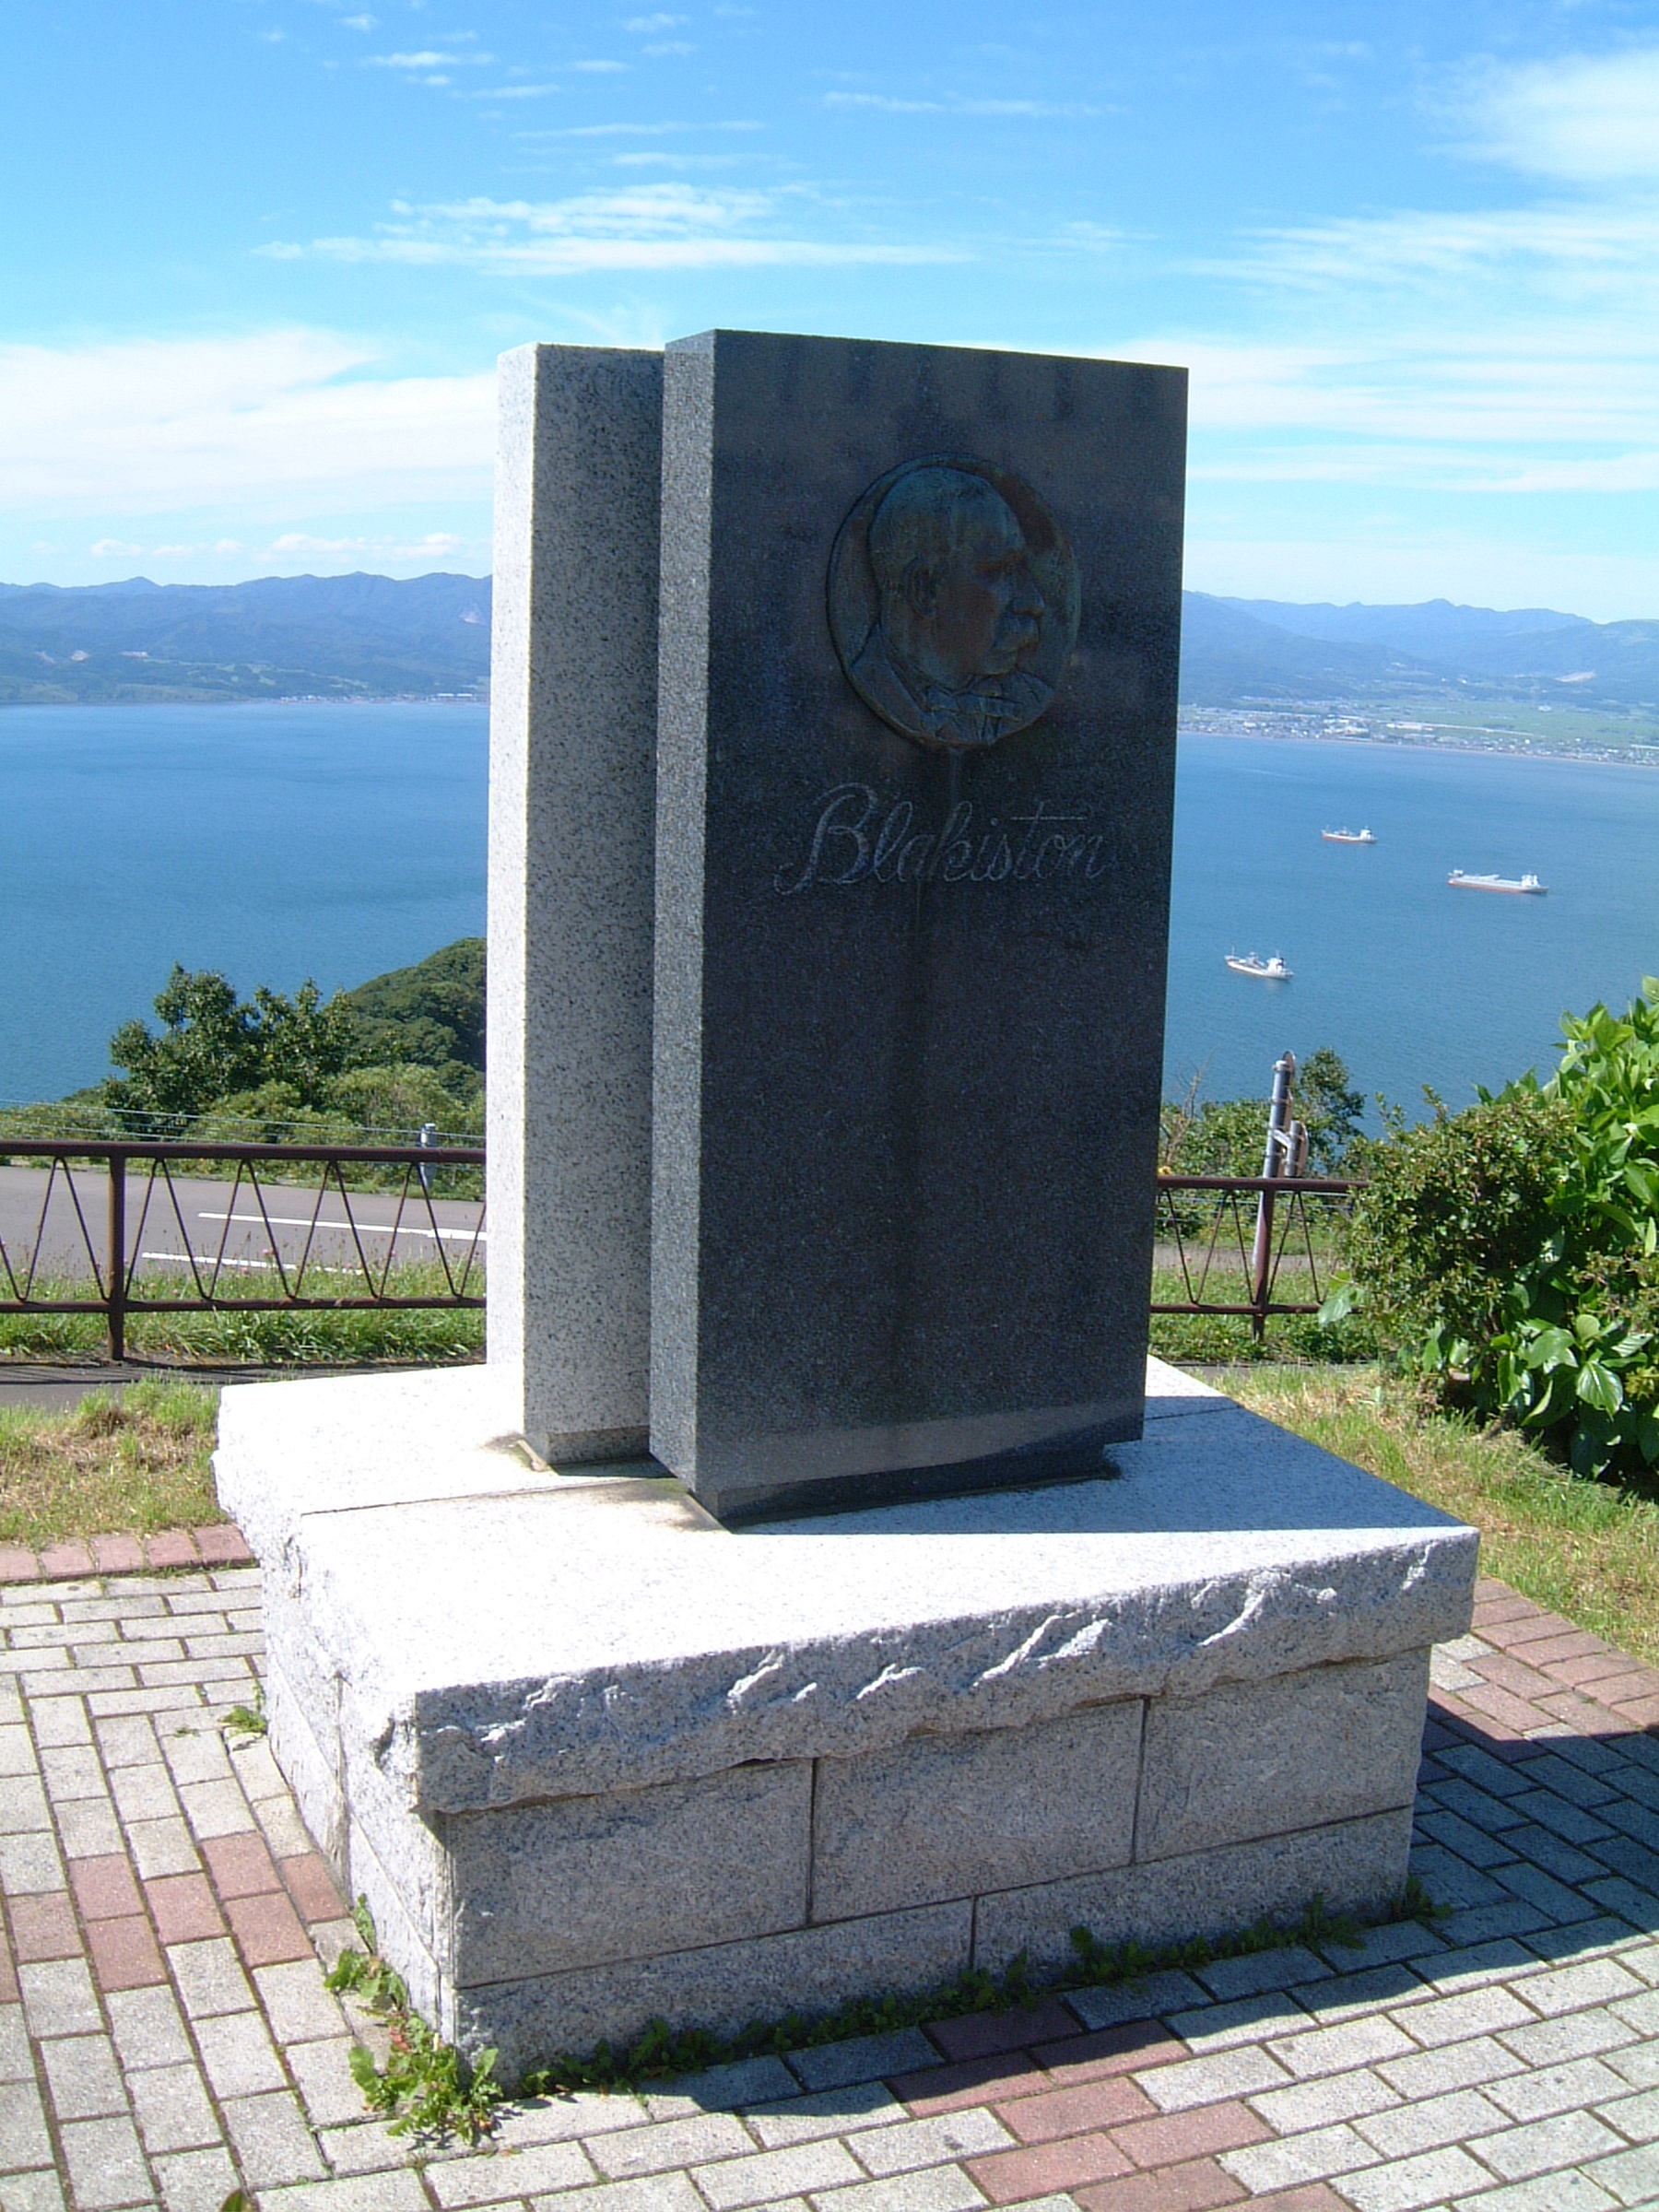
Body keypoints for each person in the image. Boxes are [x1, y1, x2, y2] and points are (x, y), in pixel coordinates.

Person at [850, 465, 1052, 748]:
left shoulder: (1030, 698)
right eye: (1003, 570)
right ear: (926, 590)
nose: (1035, 602)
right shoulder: (853, 706)